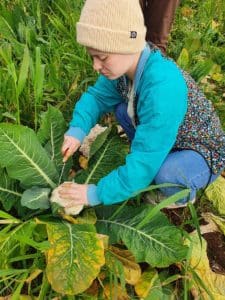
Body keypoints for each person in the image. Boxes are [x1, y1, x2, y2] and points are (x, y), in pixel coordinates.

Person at [56, 0, 225, 210]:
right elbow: (97, 98)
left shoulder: (163, 88)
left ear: (127, 45)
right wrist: (77, 131)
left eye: (102, 58)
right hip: (166, 135)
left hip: (199, 150)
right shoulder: (124, 69)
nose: (95, 66)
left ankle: (181, 196)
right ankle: (148, 166)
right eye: (92, 57)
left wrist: (94, 193)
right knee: (121, 110)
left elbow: (145, 160)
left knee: (165, 173)